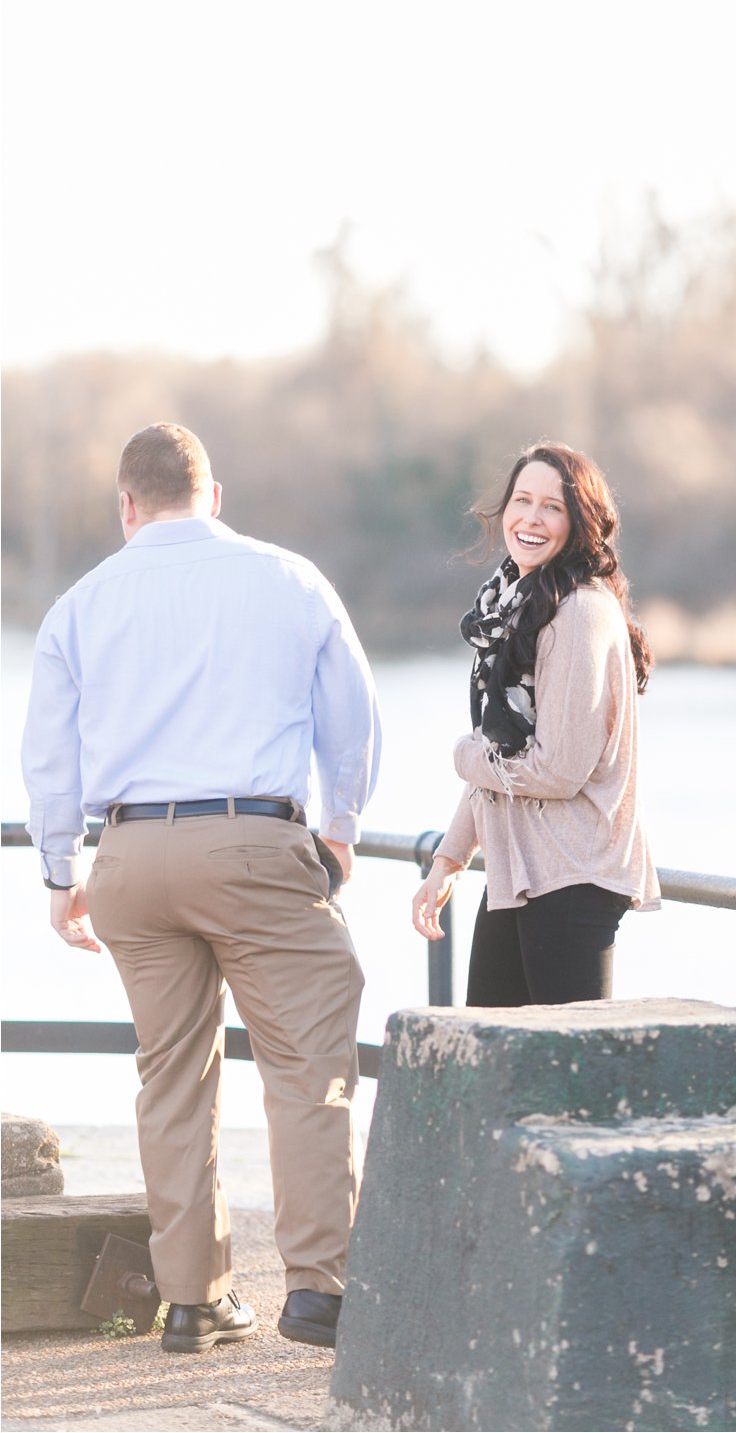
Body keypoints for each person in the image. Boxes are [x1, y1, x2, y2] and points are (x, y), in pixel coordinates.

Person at [21, 423, 380, 1354]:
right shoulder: (288, 579)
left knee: (171, 1078)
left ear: (126, 506)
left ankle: (193, 1300)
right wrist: (341, 825)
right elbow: (352, 717)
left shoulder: (79, 604)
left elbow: (48, 757)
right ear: (212, 495)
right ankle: (319, 1292)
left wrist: (63, 871)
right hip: (255, 843)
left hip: (131, 858)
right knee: (307, 1066)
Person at [412, 441, 659, 1002]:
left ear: (579, 523)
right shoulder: (517, 608)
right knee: (495, 1063)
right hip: (521, 870)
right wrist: (449, 860)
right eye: (522, 500)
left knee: (569, 1075)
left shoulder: (578, 613)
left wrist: (464, 755)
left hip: (574, 872)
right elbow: (505, 759)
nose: (531, 517)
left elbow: (555, 770)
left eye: (553, 506)